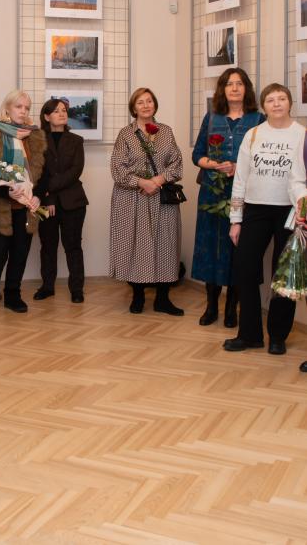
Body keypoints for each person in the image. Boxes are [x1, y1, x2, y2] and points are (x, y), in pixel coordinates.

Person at [224, 83, 307, 355]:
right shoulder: (253, 134)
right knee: (244, 268)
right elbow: (240, 179)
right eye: (270, 100)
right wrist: (236, 219)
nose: (277, 103)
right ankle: (249, 335)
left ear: (290, 102)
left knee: (283, 275)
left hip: (289, 213)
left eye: (282, 98)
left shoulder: (302, 135)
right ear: (263, 106)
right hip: (255, 210)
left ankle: (278, 337)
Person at [192, 68, 264, 327]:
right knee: (211, 248)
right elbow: (197, 154)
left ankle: (232, 307)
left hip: (245, 194)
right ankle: (211, 306)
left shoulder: (259, 120)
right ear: (222, 89)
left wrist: (237, 167)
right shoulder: (211, 117)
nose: (234, 88)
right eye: (229, 84)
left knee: (238, 250)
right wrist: (214, 164)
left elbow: (263, 159)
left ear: (247, 88)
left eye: (239, 83)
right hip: (212, 193)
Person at [109, 87, 184, 315]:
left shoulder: (166, 132)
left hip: (161, 197)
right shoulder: (125, 134)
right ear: (134, 108)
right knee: (135, 245)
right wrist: (142, 182)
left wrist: (158, 180)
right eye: (140, 102)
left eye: (149, 101)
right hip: (132, 197)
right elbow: (117, 169)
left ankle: (163, 299)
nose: (145, 105)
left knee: (165, 245)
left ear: (155, 105)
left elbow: (177, 163)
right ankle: (138, 296)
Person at [0, 90, 47, 318]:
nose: (23, 111)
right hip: (1, 207)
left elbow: (43, 173)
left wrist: (38, 196)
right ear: (7, 108)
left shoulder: (35, 136)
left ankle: (12, 296)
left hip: (27, 208)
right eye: (19, 107)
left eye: (27, 108)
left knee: (20, 255)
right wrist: (7, 190)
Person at [34, 98, 88, 303]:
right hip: (45, 202)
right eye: (56, 111)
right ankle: (47, 287)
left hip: (73, 202)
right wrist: (48, 197)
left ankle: (77, 289)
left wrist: (50, 189)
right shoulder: (37, 141)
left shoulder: (76, 140)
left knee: (73, 247)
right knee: (48, 247)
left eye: (64, 110)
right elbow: (38, 172)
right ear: (47, 116)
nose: (62, 113)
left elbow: (75, 171)